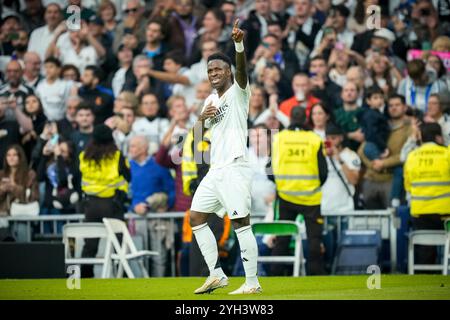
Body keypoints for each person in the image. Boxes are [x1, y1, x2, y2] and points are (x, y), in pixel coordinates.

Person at [189, 20, 262, 295]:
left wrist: (238, 44)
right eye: (210, 70)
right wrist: (199, 120)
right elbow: (196, 142)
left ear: (228, 71)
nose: (213, 73)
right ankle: (216, 274)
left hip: (234, 166)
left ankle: (252, 282)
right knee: (196, 217)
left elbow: (243, 71)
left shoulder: (239, 91)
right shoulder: (210, 101)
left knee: (241, 223)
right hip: (215, 170)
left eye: (218, 68)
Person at [270, 106, 328, 276]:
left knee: (283, 237)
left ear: (290, 118)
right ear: (306, 118)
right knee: (314, 239)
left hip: (286, 196)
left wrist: (281, 185)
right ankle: (315, 274)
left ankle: (276, 273)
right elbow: (323, 171)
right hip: (311, 197)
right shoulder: (314, 139)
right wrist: (313, 186)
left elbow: (270, 168)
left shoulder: (278, 138)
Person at [79, 124, 130, 278]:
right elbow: (128, 176)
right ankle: (122, 276)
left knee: (90, 245)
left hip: (91, 205)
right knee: (119, 243)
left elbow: (76, 180)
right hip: (112, 204)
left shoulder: (83, 156)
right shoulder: (117, 155)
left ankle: (85, 278)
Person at [404, 122, 450, 267]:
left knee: (426, 251)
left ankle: (426, 281)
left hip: (421, 213)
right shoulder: (447, 154)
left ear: (421, 138)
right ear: (439, 138)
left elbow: (408, 186)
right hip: (446, 213)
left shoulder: (412, 156)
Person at [128, 135, 175, 277]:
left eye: (133, 146)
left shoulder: (159, 167)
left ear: (143, 149)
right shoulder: (128, 167)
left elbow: (171, 190)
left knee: (158, 256)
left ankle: (159, 286)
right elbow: (124, 194)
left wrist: (167, 206)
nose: (130, 149)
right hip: (135, 219)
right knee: (136, 255)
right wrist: (133, 206)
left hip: (157, 220)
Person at [321, 123, 361, 213]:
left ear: (341, 138)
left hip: (344, 208)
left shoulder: (351, 155)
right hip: (324, 207)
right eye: (327, 139)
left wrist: (340, 160)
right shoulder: (322, 156)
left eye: (333, 138)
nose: (330, 142)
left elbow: (354, 180)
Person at [35, 57, 74, 122]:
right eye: (46, 67)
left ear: (59, 69)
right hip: (45, 121)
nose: (48, 70)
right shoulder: (40, 86)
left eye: (51, 67)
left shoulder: (66, 85)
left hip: (63, 120)